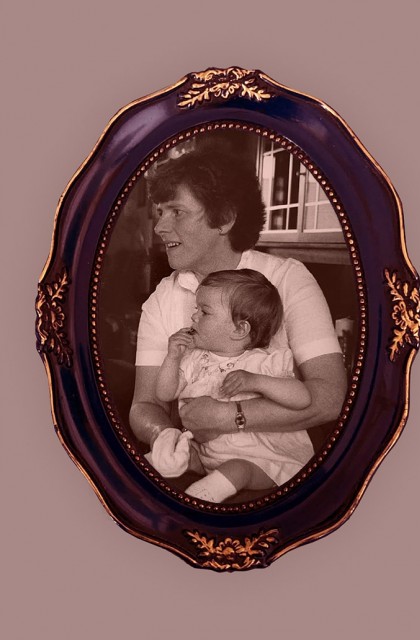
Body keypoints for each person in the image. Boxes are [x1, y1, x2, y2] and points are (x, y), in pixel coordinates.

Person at [130, 146, 347, 473]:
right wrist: (167, 439)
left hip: (281, 473)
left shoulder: (288, 279)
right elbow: (145, 404)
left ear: (225, 219)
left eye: (177, 211)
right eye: (161, 212)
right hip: (199, 466)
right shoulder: (162, 298)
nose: (159, 227)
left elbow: (330, 398)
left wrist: (228, 417)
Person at [146, 269, 314, 502]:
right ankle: (153, 469)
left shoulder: (266, 362)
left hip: (261, 460)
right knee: (171, 447)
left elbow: (303, 398)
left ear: (239, 329)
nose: (193, 316)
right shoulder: (195, 358)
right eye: (196, 309)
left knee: (238, 469)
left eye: (204, 311)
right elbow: (165, 393)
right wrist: (173, 357)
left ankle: (201, 498)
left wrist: (256, 381)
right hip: (207, 454)